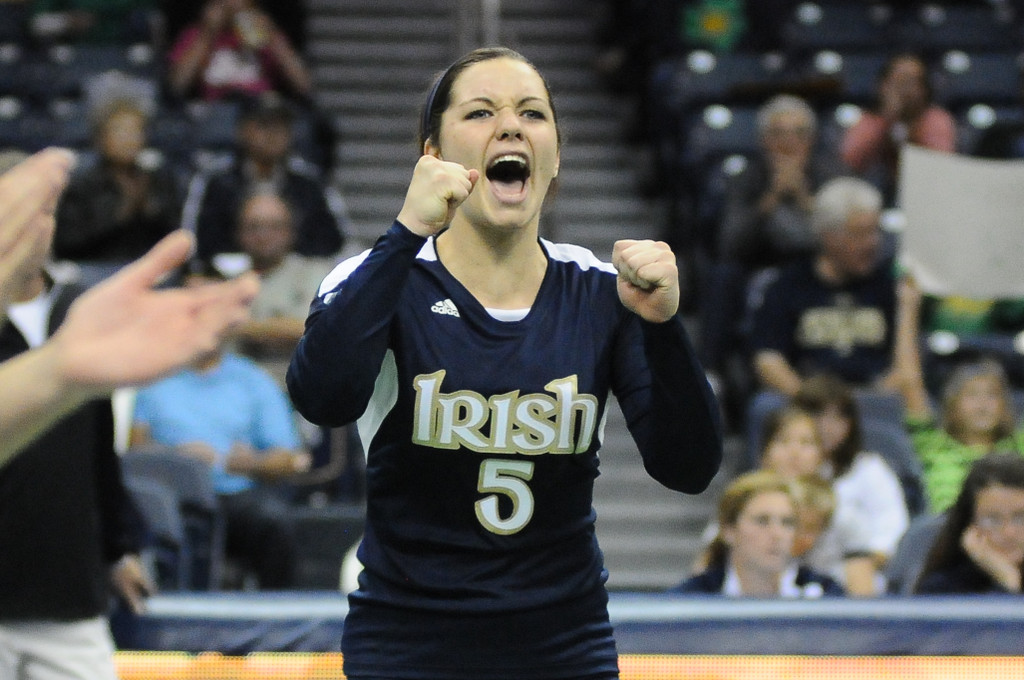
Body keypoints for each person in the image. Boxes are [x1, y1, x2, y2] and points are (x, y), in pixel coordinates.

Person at [286, 47, 723, 679]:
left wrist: (664, 329)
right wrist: (407, 228)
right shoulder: (377, 278)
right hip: (408, 649)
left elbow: (688, 468)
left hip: (565, 649)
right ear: (431, 155)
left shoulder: (606, 292)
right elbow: (322, 398)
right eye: (481, 112)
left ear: (554, 160)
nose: (511, 127)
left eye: (532, 114)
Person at [0, 149, 259, 469]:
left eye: (42, 212)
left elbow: (102, 465)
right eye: (13, 216)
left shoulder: (80, 312)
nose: (29, 231)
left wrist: (58, 372)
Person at [0, 231, 155, 680]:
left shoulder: (81, 314)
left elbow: (98, 452)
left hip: (68, 597)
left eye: (44, 211)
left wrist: (116, 549)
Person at [131, 263, 311, 589]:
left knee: (274, 521)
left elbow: (288, 458)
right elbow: (134, 451)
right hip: (171, 497)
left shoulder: (253, 380)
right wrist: (174, 459)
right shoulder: (151, 373)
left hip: (233, 494)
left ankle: (278, 623)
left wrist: (245, 462)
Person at [700, 94, 843, 414]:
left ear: (813, 139)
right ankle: (711, 374)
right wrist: (772, 197)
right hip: (757, 266)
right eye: (779, 133)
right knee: (722, 276)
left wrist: (806, 200)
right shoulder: (747, 176)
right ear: (764, 140)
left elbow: (841, 241)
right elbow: (731, 243)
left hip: (814, 270)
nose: (789, 142)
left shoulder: (828, 175)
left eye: (799, 133)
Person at [747, 176, 899, 398]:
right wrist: (810, 402)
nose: (872, 243)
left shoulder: (887, 285)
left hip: (874, 400)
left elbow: (906, 365)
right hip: (807, 400)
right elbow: (768, 360)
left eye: (875, 231)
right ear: (829, 237)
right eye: (860, 233)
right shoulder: (789, 285)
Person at [894, 277, 1024, 513]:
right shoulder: (934, 445)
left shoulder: (1019, 445)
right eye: (972, 395)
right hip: (950, 543)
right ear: (952, 406)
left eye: (992, 395)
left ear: (1006, 406)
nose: (982, 404)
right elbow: (910, 382)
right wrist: (908, 305)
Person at [183, 93, 348, 261]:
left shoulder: (310, 183)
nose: (273, 134)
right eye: (264, 125)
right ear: (243, 130)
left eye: (282, 126)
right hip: (231, 276)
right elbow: (193, 240)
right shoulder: (216, 181)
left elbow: (337, 243)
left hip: (297, 277)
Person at [793, 373, 910, 589]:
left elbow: (892, 529)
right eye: (819, 415)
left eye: (839, 417)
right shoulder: (782, 467)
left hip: (854, 576)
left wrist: (859, 565)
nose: (828, 427)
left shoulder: (870, 468)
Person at [53, 96, 182, 286]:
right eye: (120, 131)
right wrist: (122, 211)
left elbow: (174, 233)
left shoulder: (158, 178)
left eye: (135, 131)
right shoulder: (82, 184)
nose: (128, 140)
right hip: (93, 270)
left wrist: (149, 208)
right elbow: (68, 242)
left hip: (148, 268)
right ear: (100, 138)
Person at [671, 470, 844, 597]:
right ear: (728, 530)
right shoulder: (691, 599)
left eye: (787, 522)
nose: (777, 534)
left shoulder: (828, 596)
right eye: (762, 520)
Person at [229, 190, 337, 387]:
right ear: (239, 233)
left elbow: (311, 328)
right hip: (240, 391)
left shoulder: (315, 275)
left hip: (301, 389)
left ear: (291, 232)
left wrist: (243, 328)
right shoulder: (230, 284)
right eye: (254, 227)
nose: (263, 236)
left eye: (274, 227)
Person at [840, 53, 956, 205]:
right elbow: (850, 163)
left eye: (913, 82)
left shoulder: (936, 120)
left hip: (927, 198)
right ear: (883, 85)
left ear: (925, 88)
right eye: (899, 81)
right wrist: (888, 119)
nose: (905, 90)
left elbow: (939, 166)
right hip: (872, 199)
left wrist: (909, 132)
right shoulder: (869, 121)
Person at [915, 453, 1024, 594]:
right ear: (970, 524)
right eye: (992, 520)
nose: (1008, 532)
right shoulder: (942, 587)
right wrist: (1007, 581)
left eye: (1021, 518)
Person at [166, 0, 311, 101]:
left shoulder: (267, 34)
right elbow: (177, 85)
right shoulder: (196, 34)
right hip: (215, 109)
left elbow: (303, 86)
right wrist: (207, 34)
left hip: (259, 107)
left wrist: (272, 37)